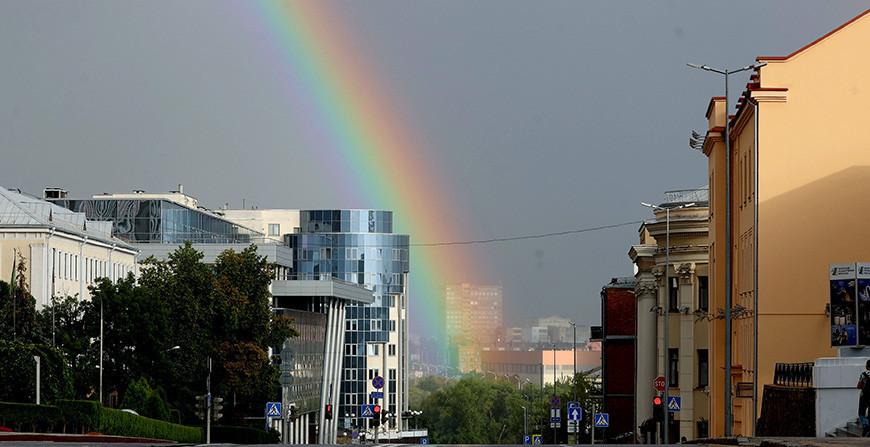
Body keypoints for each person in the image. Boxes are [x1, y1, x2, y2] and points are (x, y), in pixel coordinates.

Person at [858, 359, 870, 436]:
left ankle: (866, 425)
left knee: (861, 413)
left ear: (867, 366)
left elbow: (859, 386)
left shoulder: (863, 374)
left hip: (864, 396)